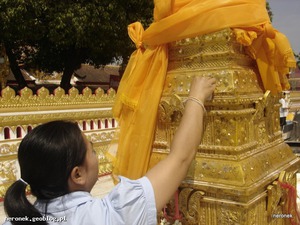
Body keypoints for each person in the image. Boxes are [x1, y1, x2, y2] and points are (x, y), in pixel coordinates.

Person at [3, 76, 216, 225]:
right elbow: (180, 157)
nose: (96, 156)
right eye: (92, 151)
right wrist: (196, 97)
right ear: (77, 174)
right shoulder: (112, 214)